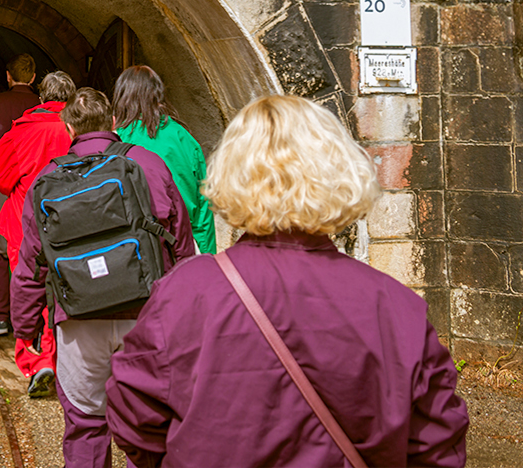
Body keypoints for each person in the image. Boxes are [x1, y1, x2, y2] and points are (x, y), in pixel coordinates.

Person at [106, 95, 469, 467]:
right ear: (340, 173)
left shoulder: (186, 292)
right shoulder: (395, 305)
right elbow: (438, 441)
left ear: (231, 175)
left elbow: (132, 410)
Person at [11, 88, 194, 468]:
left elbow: (31, 260)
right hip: (142, 318)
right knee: (146, 425)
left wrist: (25, 325)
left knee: (85, 424)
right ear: (113, 122)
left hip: (79, 320)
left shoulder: (49, 178)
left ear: (68, 127)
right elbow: (179, 240)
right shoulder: (149, 164)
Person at [0, 70, 77, 398]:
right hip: (70, 223)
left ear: (42, 97)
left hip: (24, 224)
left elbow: (0, 178)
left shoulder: (21, 130)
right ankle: (60, 357)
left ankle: (34, 360)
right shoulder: (77, 130)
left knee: (27, 292)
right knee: (63, 292)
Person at [112, 65, 216, 255]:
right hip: (182, 243)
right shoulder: (183, 137)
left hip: (133, 247)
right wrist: (208, 254)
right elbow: (203, 206)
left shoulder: (118, 139)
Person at [0, 53, 40, 335]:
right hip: (36, 187)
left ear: (8, 76)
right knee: (33, 249)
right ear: (34, 78)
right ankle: (30, 316)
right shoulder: (41, 106)